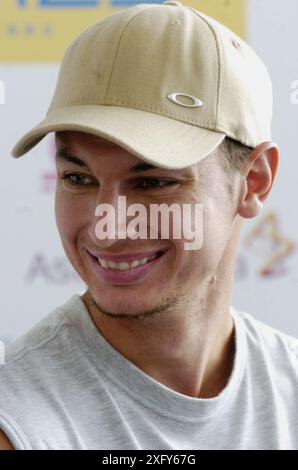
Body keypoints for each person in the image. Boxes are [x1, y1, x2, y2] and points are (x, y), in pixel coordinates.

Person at [0, 0, 297, 450]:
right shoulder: (18, 424)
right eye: (79, 179)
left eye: (154, 182)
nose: (108, 228)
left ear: (253, 181)